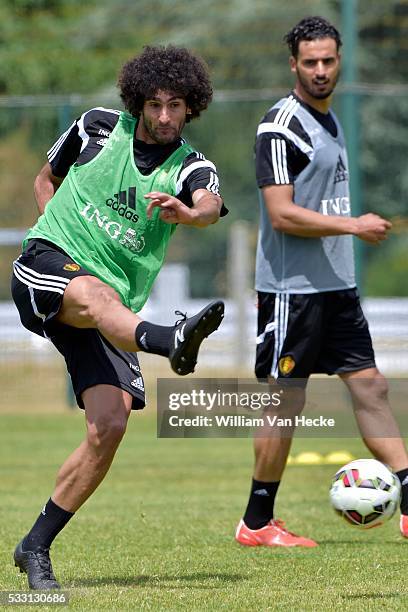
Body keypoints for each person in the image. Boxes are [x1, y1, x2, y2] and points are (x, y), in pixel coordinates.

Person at [11, 45, 226, 589]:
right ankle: (170, 337)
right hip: (49, 265)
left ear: (190, 108)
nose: (163, 116)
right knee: (96, 294)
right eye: (153, 104)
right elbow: (45, 181)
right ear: (137, 101)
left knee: (109, 425)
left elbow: (207, 205)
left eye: (175, 105)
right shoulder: (95, 127)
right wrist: (60, 237)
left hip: (108, 309)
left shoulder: (192, 167)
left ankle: (34, 546)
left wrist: (188, 212)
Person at [235, 16, 408, 548]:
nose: (320, 71)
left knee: (372, 386)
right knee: (285, 403)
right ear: (293, 65)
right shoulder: (280, 126)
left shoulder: (330, 121)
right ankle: (257, 523)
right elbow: (282, 214)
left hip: (336, 287)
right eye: (309, 62)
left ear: (339, 61)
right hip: (293, 291)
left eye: (328, 60)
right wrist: (354, 225)